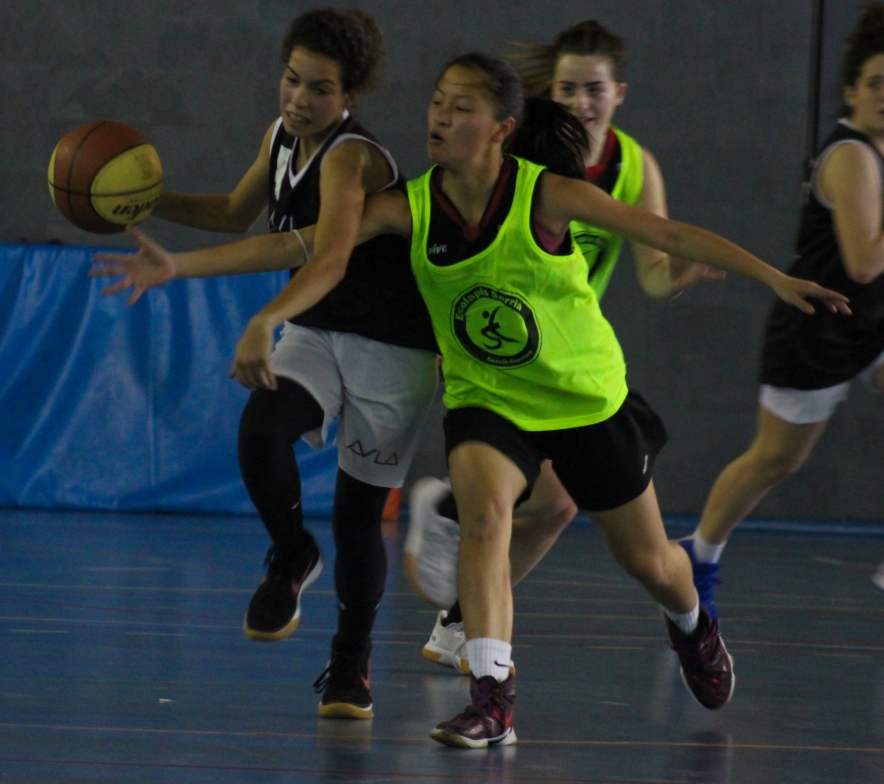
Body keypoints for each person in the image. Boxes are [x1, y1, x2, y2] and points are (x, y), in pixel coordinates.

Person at [96, 52, 848, 747]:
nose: (440, 117)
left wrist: (773, 278)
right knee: (485, 520)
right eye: (436, 102)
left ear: (500, 129)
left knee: (652, 563)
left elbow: (669, 234)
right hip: (487, 399)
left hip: (582, 397)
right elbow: (301, 246)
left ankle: (692, 626)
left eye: (461, 108)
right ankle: (493, 697)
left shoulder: (547, 194)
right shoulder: (409, 206)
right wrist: (181, 268)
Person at [94, 8, 441, 720]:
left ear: (350, 96)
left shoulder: (351, 157)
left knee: (356, 516)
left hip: (392, 345)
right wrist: (144, 202)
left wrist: (262, 318)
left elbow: (327, 257)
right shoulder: (281, 136)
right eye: (292, 79)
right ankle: (290, 553)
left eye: (320, 89)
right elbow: (234, 211)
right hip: (317, 328)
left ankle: (351, 660)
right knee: (260, 431)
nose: (299, 99)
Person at [405, 20, 725, 673]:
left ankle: (461, 615)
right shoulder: (526, 156)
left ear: (619, 93)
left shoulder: (634, 168)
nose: (582, 100)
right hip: (501, 359)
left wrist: (678, 276)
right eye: (568, 87)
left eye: (594, 88)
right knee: (510, 505)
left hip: (569, 366)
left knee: (559, 507)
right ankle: (454, 541)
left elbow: (652, 272)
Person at [683, 3, 884, 612]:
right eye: (876, 83)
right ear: (851, 92)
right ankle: (698, 555)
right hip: (817, 332)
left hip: (871, 328)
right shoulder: (851, 156)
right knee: (775, 461)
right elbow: (865, 263)